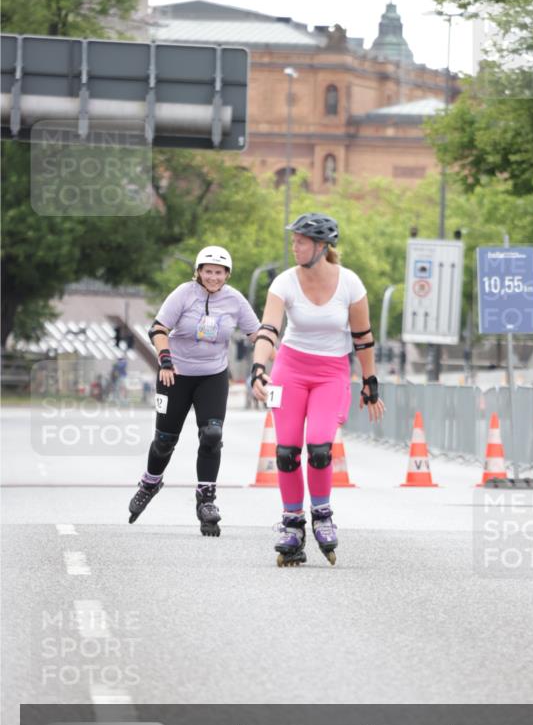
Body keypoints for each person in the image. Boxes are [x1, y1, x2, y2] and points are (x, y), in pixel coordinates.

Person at [251, 212, 384, 567]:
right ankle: (292, 523)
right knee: (286, 452)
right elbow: (268, 329)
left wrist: (370, 382)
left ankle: (322, 513)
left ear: (322, 246)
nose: (294, 247)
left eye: (301, 241)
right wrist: (259, 368)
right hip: (290, 370)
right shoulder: (284, 282)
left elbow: (363, 338)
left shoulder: (350, 284)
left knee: (321, 448)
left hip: (331, 373)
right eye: (293, 240)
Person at [128, 245, 260, 535]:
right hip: (174, 374)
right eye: (208, 271)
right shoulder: (184, 294)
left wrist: (269, 357)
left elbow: (258, 334)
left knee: (212, 434)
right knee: (164, 441)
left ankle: (206, 499)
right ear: (199, 272)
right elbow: (158, 329)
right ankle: (150, 483)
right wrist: (165, 360)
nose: (213, 277)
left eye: (219, 272)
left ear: (227, 274)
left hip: (212, 376)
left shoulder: (235, 300)